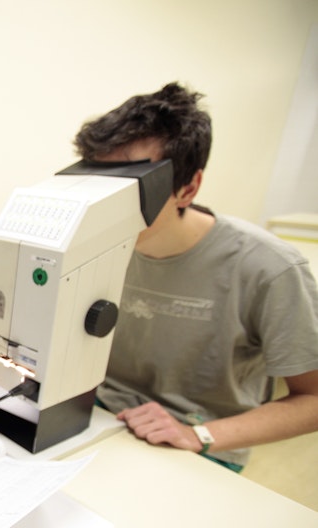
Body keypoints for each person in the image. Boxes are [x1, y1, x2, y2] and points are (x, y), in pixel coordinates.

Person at [74, 82, 318, 471]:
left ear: (187, 188)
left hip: (202, 436)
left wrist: (199, 436)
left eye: (128, 186)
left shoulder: (269, 269)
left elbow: (313, 400)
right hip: (106, 413)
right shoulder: (96, 243)